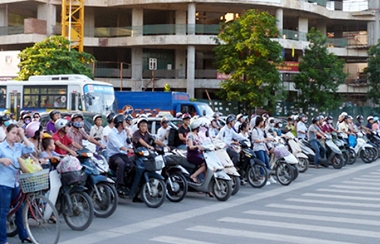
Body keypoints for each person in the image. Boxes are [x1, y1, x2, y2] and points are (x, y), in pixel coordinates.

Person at [0, 124, 34, 244]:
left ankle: (23, 235)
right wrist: (2, 160)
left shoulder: (19, 147)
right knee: (3, 212)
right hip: (4, 183)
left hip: (15, 182)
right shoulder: (1, 147)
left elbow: (31, 149)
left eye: (16, 134)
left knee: (19, 209)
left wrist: (23, 135)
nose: (15, 136)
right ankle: (3, 240)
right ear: (7, 133)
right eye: (13, 133)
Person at [131, 118, 169, 200]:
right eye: (142, 126)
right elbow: (141, 141)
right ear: (139, 126)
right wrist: (148, 146)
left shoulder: (147, 134)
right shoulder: (136, 134)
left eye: (145, 126)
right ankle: (135, 192)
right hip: (138, 157)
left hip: (147, 156)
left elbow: (155, 140)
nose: (144, 127)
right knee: (139, 173)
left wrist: (164, 145)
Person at [107, 114, 135, 197]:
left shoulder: (124, 132)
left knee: (133, 165)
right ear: (119, 124)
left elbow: (128, 144)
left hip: (123, 155)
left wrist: (129, 136)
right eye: (124, 122)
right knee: (121, 163)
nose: (125, 123)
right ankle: (119, 185)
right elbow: (119, 146)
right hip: (114, 156)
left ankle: (128, 184)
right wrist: (127, 149)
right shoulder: (112, 133)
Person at [252, 116, 276, 185]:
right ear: (259, 122)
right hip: (257, 148)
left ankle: (269, 176)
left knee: (267, 162)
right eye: (262, 121)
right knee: (262, 163)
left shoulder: (261, 130)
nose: (263, 123)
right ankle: (261, 178)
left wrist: (266, 149)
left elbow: (264, 141)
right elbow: (256, 140)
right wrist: (263, 140)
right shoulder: (255, 130)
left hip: (262, 147)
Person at [186, 118, 207, 184]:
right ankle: (193, 176)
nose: (199, 129)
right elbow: (191, 147)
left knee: (206, 165)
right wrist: (197, 146)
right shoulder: (190, 135)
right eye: (198, 127)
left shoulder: (196, 135)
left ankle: (205, 184)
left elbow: (201, 143)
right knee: (204, 164)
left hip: (197, 154)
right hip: (192, 155)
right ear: (196, 128)